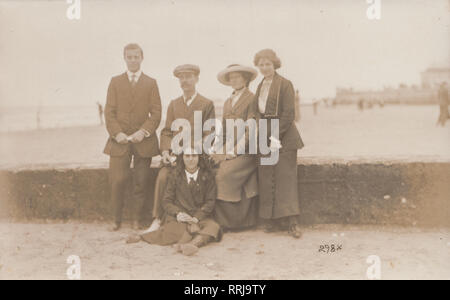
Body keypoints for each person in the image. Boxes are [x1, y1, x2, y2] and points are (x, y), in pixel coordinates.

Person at [145, 64, 216, 233]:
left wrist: (191, 153)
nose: (185, 81)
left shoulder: (206, 104)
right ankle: (157, 219)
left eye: (188, 76)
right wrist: (165, 152)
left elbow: (210, 134)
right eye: (181, 77)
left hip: (196, 158)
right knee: (163, 176)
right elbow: (167, 131)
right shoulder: (174, 104)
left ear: (196, 79)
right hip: (176, 157)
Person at [103, 43, 162, 231]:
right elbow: (109, 112)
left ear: (142, 58)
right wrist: (117, 133)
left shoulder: (151, 82)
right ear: (124, 58)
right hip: (119, 141)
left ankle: (137, 219)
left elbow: (157, 113)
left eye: (136, 56)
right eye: (129, 57)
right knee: (117, 180)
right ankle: (116, 220)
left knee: (141, 180)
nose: (133, 60)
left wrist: (143, 132)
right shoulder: (115, 82)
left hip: (143, 142)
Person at [130, 148, 221, 257]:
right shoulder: (175, 176)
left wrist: (196, 218)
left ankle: (192, 244)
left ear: (199, 157)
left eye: (194, 156)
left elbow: (210, 202)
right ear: (182, 158)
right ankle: (145, 237)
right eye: (187, 156)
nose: (190, 159)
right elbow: (167, 201)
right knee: (175, 230)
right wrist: (178, 214)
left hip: (199, 216)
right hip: (180, 217)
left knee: (213, 227)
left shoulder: (207, 176)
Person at [253, 49, 304, 238]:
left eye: (268, 64)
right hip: (266, 135)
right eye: (261, 64)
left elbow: (289, 114)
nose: (265, 68)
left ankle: (292, 222)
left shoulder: (285, 84)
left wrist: (275, 137)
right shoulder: (259, 87)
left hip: (284, 136)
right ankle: (271, 220)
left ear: (275, 65)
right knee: (267, 177)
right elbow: (257, 111)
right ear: (258, 66)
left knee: (286, 178)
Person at [212, 64, 259, 230]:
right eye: (231, 78)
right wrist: (217, 150)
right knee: (211, 167)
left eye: (237, 77)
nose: (234, 80)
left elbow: (250, 130)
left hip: (247, 151)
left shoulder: (252, 98)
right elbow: (224, 131)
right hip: (230, 148)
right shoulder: (227, 102)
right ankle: (217, 218)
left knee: (225, 173)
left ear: (245, 79)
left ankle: (232, 222)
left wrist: (233, 152)